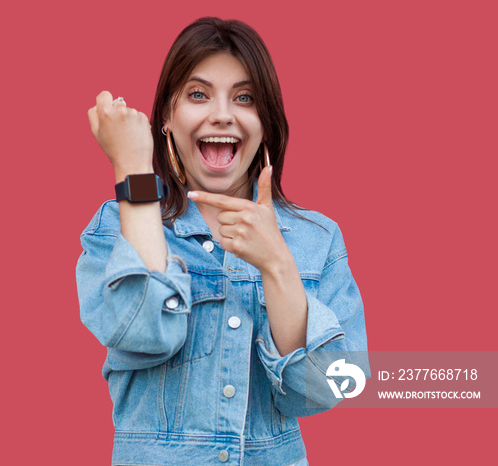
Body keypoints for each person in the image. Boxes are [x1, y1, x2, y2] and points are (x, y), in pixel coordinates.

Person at [77, 17, 369, 466]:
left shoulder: (317, 238)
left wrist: (277, 265)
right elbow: (143, 333)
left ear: (266, 123)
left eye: (245, 97)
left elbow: (333, 384)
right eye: (198, 94)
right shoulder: (119, 225)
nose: (222, 113)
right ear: (167, 120)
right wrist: (134, 172)